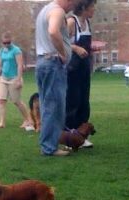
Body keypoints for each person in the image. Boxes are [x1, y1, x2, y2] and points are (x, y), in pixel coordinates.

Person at [35, 0, 76, 157]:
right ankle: (49, 147)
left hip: (43, 63)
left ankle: (49, 144)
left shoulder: (45, 10)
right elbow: (53, 31)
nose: (74, 6)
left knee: (48, 106)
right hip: (52, 64)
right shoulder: (57, 11)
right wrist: (63, 53)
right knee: (54, 107)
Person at [65, 0, 96, 149]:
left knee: (84, 102)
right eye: (92, 7)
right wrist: (76, 48)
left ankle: (82, 136)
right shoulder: (71, 22)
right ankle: (69, 137)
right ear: (84, 8)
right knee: (73, 102)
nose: (94, 10)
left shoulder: (88, 24)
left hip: (84, 69)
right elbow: (60, 41)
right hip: (72, 70)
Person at [0, 32, 33, 130]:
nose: (6, 44)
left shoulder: (16, 50)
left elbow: (20, 65)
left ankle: (28, 119)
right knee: (1, 100)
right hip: (3, 78)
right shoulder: (2, 51)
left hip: (14, 78)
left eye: (8, 42)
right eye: (4, 43)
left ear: (11, 41)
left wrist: (19, 79)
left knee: (16, 101)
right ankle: (2, 122)